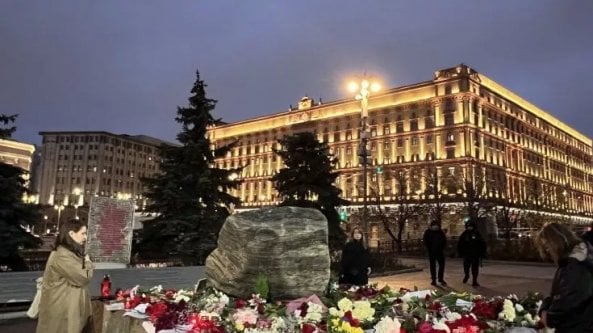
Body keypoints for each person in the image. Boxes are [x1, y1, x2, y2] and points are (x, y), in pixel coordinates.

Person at [36, 219, 94, 333]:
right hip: (62, 309)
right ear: (71, 234)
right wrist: (88, 262)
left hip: (66, 307)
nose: (85, 237)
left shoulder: (67, 253)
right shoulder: (62, 255)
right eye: (83, 233)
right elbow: (83, 278)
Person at [535, 222, 593, 332]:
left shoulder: (573, 265)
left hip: (577, 327)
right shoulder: (580, 258)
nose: (547, 251)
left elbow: (566, 304)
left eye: (547, 246)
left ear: (555, 242)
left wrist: (546, 314)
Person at [457, 218, 486, 287]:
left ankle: (474, 281)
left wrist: (482, 253)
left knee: (475, 268)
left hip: (475, 254)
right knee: (466, 267)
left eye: (471, 226)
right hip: (466, 254)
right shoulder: (464, 234)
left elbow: (482, 244)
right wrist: (460, 252)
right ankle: (467, 275)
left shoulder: (477, 234)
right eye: (468, 226)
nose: (469, 227)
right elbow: (460, 244)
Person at [423, 220, 447, 286]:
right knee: (432, 266)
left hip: (440, 252)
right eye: (434, 225)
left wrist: (442, 248)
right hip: (431, 252)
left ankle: (440, 279)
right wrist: (429, 249)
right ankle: (433, 280)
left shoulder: (440, 232)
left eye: (437, 225)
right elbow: (425, 241)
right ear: (431, 226)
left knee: (442, 265)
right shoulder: (428, 232)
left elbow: (444, 241)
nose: (435, 227)